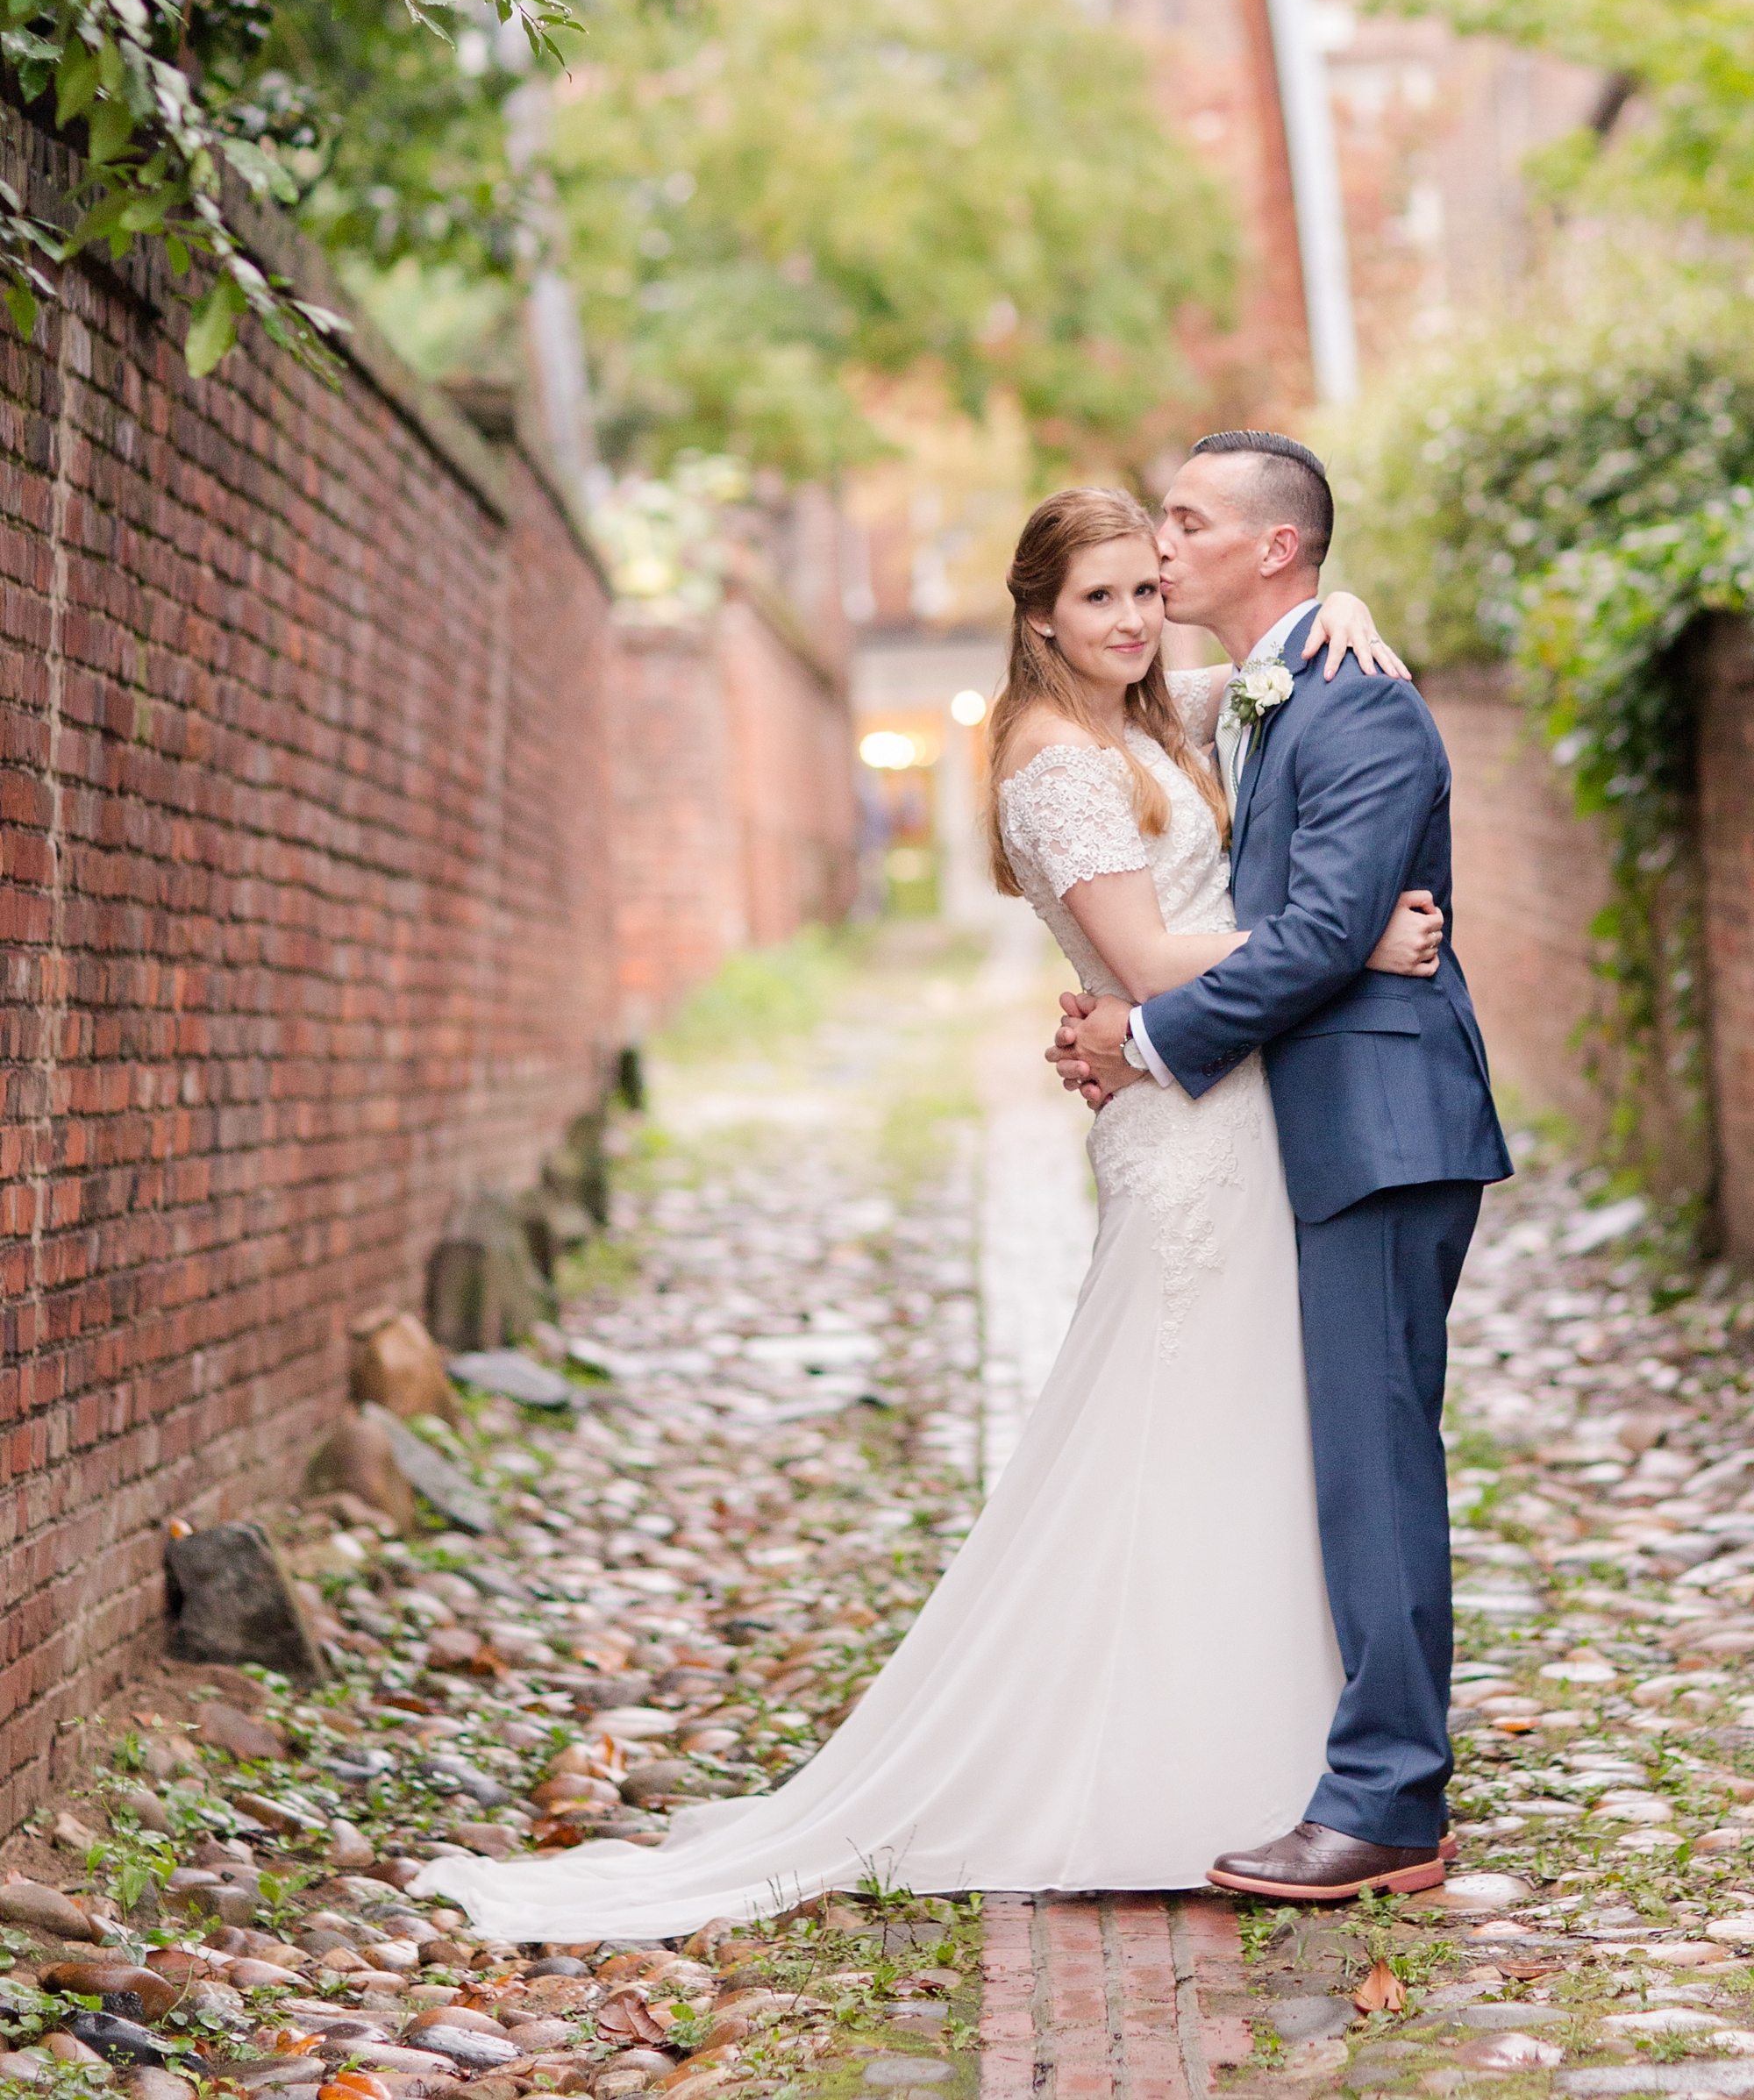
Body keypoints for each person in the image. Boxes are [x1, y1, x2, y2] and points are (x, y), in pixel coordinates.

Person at [409, 484, 1441, 1944]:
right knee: (1168, 1426)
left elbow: (1270, 650)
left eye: (1150, 589)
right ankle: (1145, 1765)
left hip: (1241, 1110)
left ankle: (1275, 1743)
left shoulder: (1160, 708)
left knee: (1249, 1431)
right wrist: (1346, 947)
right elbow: (1145, 958)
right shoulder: (1056, 759)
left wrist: (1345, 602)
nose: (1139, 619)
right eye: (1101, 600)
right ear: (1037, 619)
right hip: (1187, 1128)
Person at [1052, 431, 1511, 1904]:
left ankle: (1387, 1804)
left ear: (1271, 549)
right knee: (1346, 1459)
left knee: (1376, 1466)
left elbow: (1319, 938)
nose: (1161, 546)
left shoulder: (1361, 713)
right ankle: (1377, 1777)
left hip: (1380, 1131)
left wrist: (1146, 1038)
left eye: (1186, 523)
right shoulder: (1263, 690)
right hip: (1320, 1125)